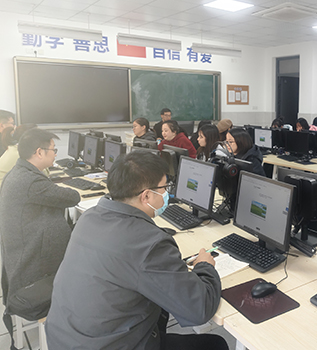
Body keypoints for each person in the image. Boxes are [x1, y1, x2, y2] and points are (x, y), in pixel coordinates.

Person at [45, 151, 228, 350]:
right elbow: (199, 310)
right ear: (146, 195)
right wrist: (205, 266)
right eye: (164, 188)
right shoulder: (149, 243)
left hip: (65, 339)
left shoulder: (90, 217)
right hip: (106, 345)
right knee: (215, 344)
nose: (167, 194)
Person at [0, 129, 81, 316]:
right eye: (53, 150)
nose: (55, 155)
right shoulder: (30, 181)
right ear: (39, 152)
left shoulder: (19, 172)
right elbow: (72, 197)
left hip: (21, 252)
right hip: (32, 266)